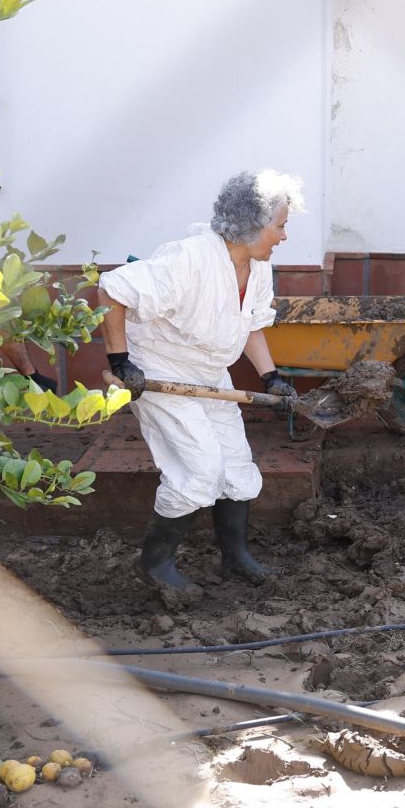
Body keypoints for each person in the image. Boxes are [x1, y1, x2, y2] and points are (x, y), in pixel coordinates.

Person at [98, 170, 305, 590]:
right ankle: (154, 565)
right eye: (280, 225)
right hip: (159, 370)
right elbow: (112, 291)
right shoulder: (189, 259)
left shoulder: (257, 268)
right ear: (251, 223)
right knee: (200, 469)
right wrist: (121, 363)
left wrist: (272, 377)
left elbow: (250, 325)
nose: (284, 235)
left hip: (209, 373)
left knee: (235, 465)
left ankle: (236, 557)